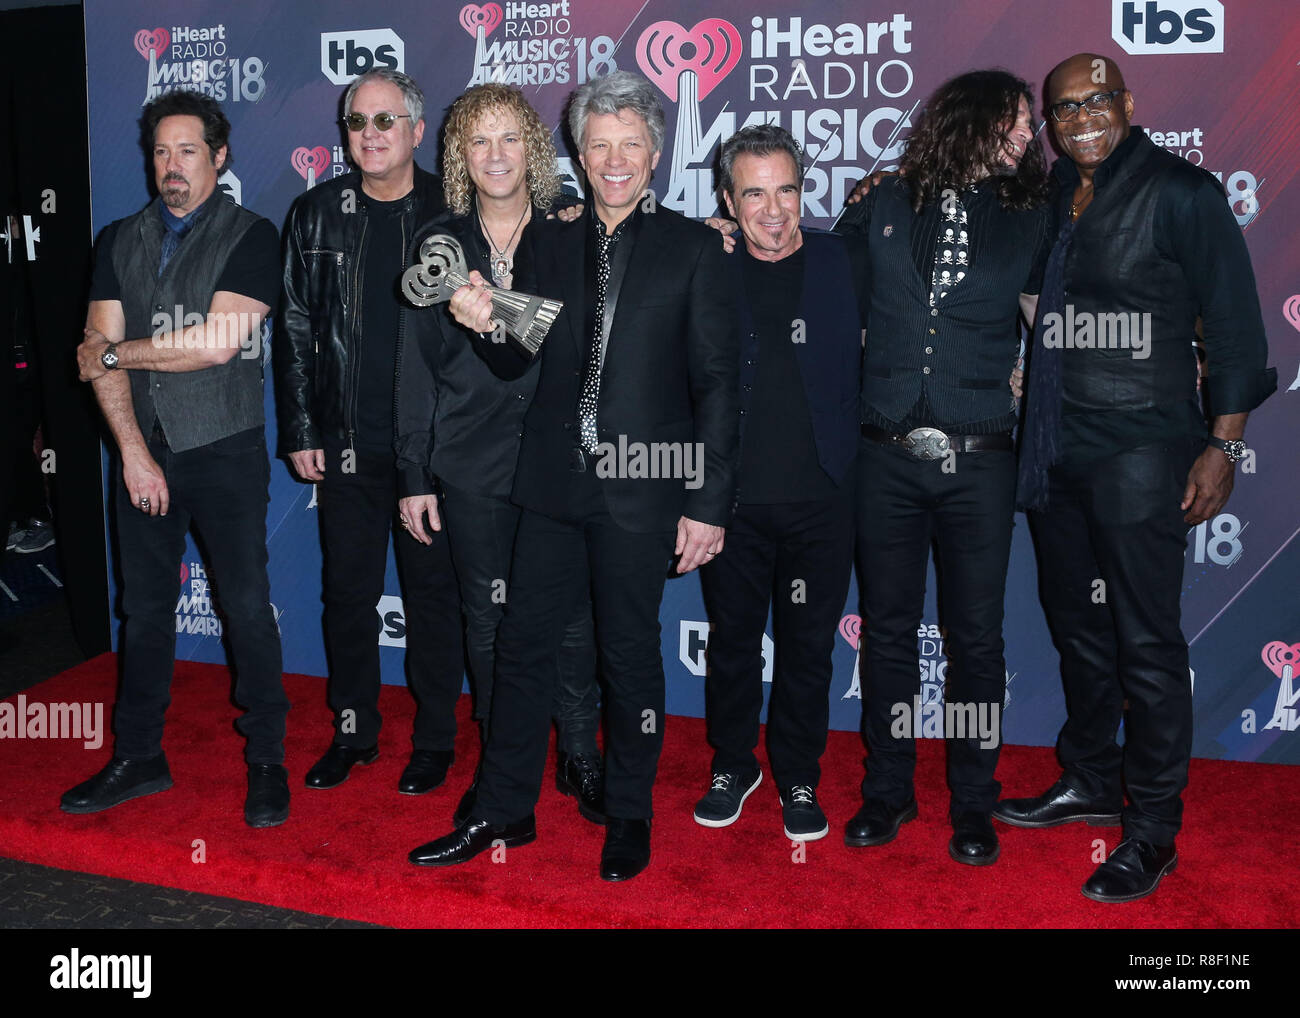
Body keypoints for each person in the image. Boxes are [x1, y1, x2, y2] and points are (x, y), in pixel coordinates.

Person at [408, 70, 739, 881]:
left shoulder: (694, 247)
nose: (615, 160)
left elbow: (721, 384)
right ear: (580, 157)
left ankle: (630, 813)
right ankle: (502, 811)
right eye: (600, 146)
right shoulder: (549, 240)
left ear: (655, 153)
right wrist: (480, 323)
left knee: (627, 656)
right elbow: (521, 354)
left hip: (644, 485)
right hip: (551, 485)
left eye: (631, 144)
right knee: (521, 648)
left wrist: (707, 501)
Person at [997, 54, 1276, 901]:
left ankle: (1152, 827)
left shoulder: (1183, 194)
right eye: (1062, 109)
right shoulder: (1048, 193)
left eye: (1095, 101)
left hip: (1143, 446)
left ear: (1128, 102)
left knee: (1145, 641)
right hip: (1055, 444)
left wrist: (1221, 447)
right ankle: (1089, 777)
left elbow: (1234, 330)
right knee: (1075, 624)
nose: (1079, 118)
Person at [835, 70, 1051, 865]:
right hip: (884, 456)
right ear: (966, 121)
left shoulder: (1031, 218)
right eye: (1015, 122)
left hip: (982, 460)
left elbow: (1048, 324)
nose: (1030, 135)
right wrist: (728, 235)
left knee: (977, 641)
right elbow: (823, 296)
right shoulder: (882, 203)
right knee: (887, 635)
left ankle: (972, 801)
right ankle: (887, 791)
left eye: (1029, 124)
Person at [65, 91, 289, 827]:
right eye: (161, 152)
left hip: (224, 452)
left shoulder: (253, 235)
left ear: (219, 157)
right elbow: (96, 360)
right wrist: (131, 453)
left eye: (188, 151)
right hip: (143, 454)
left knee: (248, 610)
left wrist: (112, 352)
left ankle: (266, 761)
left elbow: (215, 343)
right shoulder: (117, 239)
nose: (172, 167)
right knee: (145, 612)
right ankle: (138, 757)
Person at [394, 83, 603, 826]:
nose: (494, 154)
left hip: (556, 456)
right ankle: (501, 764)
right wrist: (414, 472)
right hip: (470, 459)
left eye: (509, 137)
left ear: (533, 148)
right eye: (477, 140)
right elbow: (415, 366)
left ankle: (581, 754)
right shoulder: (436, 244)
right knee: (485, 618)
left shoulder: (570, 233)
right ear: (459, 154)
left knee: (572, 616)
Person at [277, 68, 465, 796]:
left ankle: (436, 741)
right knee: (347, 596)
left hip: (436, 450)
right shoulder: (316, 212)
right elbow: (294, 328)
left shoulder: (456, 208)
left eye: (387, 120)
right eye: (359, 122)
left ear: (418, 131)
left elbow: (546, 225)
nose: (372, 134)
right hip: (348, 442)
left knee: (433, 600)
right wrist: (300, 425)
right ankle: (353, 731)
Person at [692, 125, 864, 843]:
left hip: (825, 498)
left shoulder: (845, 259)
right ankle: (734, 763)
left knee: (808, 647)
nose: (772, 208)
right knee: (732, 642)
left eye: (785, 189)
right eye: (753, 192)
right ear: (728, 199)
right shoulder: (706, 260)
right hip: (731, 501)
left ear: (804, 192)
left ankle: (798, 771)